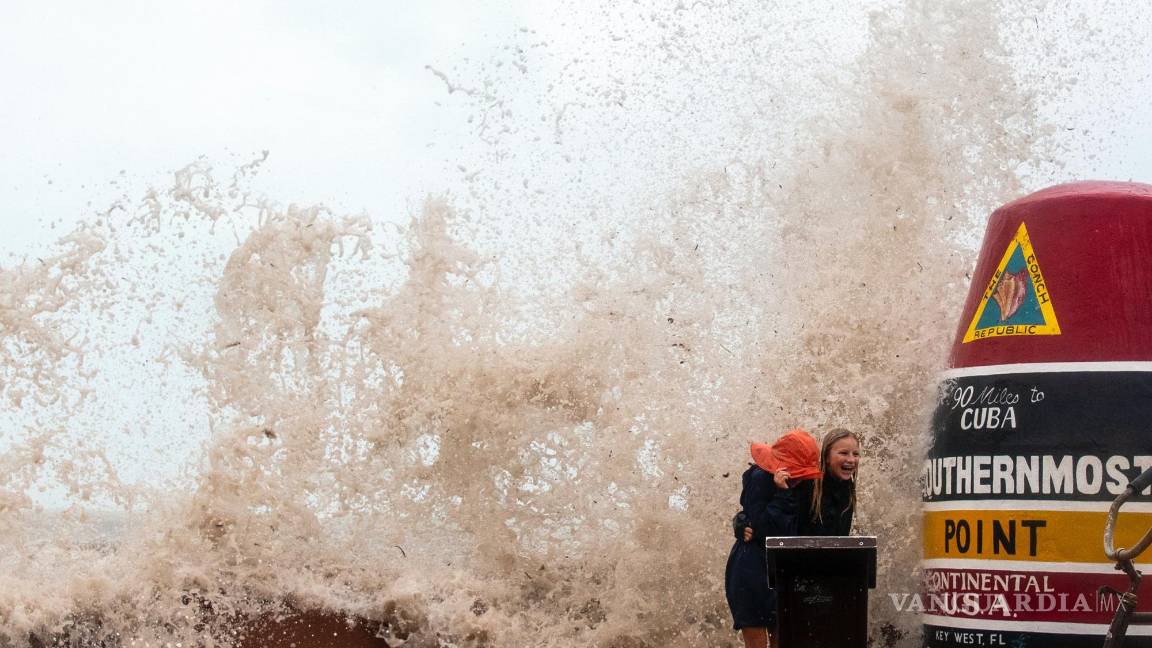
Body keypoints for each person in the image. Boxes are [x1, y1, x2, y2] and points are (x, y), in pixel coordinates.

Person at [724, 429, 822, 648]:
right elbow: (765, 530)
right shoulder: (760, 478)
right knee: (757, 643)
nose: (802, 478)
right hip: (752, 571)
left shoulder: (800, 483)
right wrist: (783, 494)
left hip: (780, 569)